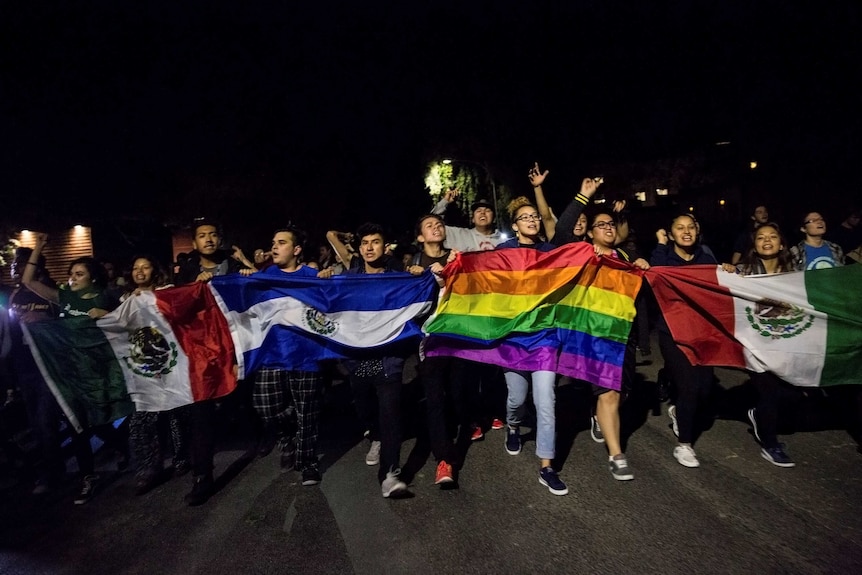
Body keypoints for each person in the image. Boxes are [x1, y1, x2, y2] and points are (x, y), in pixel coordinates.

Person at [21, 233, 129, 504]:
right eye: (71, 274)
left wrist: (107, 315)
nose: (73, 278)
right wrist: (39, 247)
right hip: (71, 372)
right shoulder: (65, 298)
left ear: (92, 277)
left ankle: (120, 444)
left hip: (100, 369)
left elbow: (127, 322)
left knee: (98, 417)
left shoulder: (107, 297)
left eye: (79, 274)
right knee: (76, 422)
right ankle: (87, 477)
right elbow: (28, 281)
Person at [239, 226, 330, 486]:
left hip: (306, 356)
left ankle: (308, 463)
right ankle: (285, 436)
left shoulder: (312, 275)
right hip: (273, 355)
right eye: (273, 242)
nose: (274, 247)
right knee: (265, 407)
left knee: (308, 413)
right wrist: (246, 276)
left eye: (281, 242)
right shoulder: (264, 276)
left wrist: (329, 277)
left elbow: (335, 301)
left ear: (297, 250)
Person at [328, 222, 413, 497]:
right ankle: (373, 435)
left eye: (375, 242)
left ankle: (389, 473)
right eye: (364, 242)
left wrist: (419, 275)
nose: (369, 247)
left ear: (384, 246)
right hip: (359, 358)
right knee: (366, 408)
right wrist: (324, 276)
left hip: (388, 358)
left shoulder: (397, 275)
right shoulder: (351, 273)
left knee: (390, 412)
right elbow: (331, 235)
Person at [174, 218, 250, 505]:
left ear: (220, 239)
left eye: (212, 234)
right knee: (201, 412)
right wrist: (194, 287)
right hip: (203, 353)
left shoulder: (233, 267)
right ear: (194, 243)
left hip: (236, 345)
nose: (207, 239)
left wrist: (248, 272)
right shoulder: (187, 272)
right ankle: (202, 477)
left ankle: (259, 435)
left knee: (241, 399)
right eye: (201, 235)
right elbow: (179, 308)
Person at [496, 197, 568, 495]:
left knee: (546, 401)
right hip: (513, 337)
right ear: (515, 226)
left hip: (544, 337)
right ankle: (513, 426)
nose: (532, 220)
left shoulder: (550, 252)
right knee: (517, 398)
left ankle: (546, 466)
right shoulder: (502, 252)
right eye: (525, 217)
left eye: (535, 217)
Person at [721, 222, 797, 467]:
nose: (767, 240)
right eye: (761, 237)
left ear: (782, 243)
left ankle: (758, 416)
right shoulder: (743, 271)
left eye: (773, 236)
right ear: (754, 245)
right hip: (754, 343)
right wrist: (727, 271)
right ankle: (770, 443)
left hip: (784, 340)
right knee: (769, 392)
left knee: (790, 391)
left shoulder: (795, 273)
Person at [585, 210, 650, 480]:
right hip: (594, 334)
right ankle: (616, 454)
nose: (608, 228)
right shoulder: (582, 254)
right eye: (600, 225)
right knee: (608, 393)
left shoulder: (624, 258)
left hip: (624, 333)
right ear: (590, 233)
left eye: (611, 224)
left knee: (622, 392)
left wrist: (642, 268)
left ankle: (599, 417)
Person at [650, 215, 718, 468]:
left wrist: (729, 272)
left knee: (704, 388)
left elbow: (718, 287)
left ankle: (677, 406)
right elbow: (653, 277)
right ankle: (684, 445)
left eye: (691, 227)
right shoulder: (665, 257)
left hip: (701, 332)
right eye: (680, 228)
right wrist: (659, 244)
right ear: (671, 233)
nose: (686, 232)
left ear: (698, 230)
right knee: (689, 387)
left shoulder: (706, 259)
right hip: (672, 332)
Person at [121, 255, 192, 495]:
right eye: (135, 267)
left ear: (155, 270)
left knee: (176, 412)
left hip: (169, 361)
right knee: (142, 417)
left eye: (145, 266)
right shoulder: (125, 299)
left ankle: (182, 457)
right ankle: (148, 468)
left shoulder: (166, 292)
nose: (139, 271)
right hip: (142, 366)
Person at [407, 214, 463, 486]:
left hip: (462, 337)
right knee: (435, 398)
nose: (436, 227)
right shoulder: (414, 266)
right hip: (430, 340)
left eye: (440, 224)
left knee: (457, 394)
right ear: (420, 237)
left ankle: (468, 419)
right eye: (429, 225)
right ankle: (445, 460)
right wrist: (414, 278)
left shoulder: (460, 257)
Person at [6, 247, 65, 494]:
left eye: (21, 265)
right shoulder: (14, 296)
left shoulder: (47, 290)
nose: (16, 270)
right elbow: (11, 334)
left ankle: (53, 476)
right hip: (25, 365)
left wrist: (43, 321)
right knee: (36, 423)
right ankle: (51, 470)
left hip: (49, 365)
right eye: (15, 265)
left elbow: (66, 321)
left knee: (46, 420)